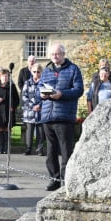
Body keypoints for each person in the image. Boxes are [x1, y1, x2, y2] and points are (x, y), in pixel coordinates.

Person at [38, 43, 84, 191]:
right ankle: (54, 179)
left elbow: (78, 90)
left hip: (64, 117)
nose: (54, 57)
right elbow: (40, 88)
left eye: (57, 54)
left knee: (66, 151)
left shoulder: (73, 69)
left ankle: (66, 180)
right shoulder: (46, 70)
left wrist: (62, 94)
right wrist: (41, 94)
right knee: (50, 152)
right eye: (52, 54)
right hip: (48, 116)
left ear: (63, 54)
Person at [0, 67, 19, 154]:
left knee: (7, 129)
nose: (4, 78)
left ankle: (6, 147)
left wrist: (13, 107)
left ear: (8, 77)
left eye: (6, 76)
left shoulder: (12, 87)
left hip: (8, 111)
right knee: (0, 129)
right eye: (3, 76)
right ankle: (0, 147)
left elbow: (16, 99)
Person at [21, 63, 44, 155]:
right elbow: (24, 96)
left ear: (41, 72)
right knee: (29, 132)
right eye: (34, 72)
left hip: (40, 111)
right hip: (29, 111)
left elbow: (47, 96)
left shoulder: (44, 83)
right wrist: (32, 106)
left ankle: (39, 149)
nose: (36, 74)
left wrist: (40, 105)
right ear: (31, 72)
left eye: (38, 72)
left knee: (40, 132)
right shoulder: (27, 83)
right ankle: (28, 149)